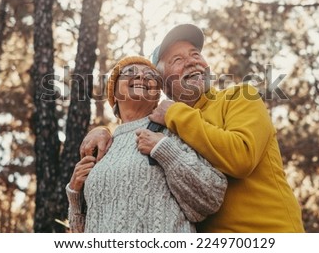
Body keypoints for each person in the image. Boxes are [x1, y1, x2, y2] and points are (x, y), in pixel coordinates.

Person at [81, 25, 305, 233]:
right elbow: (130, 130)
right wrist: (103, 131)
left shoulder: (238, 97)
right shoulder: (164, 127)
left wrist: (174, 114)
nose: (191, 62)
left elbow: (242, 157)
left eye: (196, 54)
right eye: (177, 59)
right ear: (165, 85)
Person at [66, 56, 227, 233]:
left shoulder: (171, 133)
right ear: (114, 93)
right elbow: (80, 233)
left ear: (157, 94)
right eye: (130, 72)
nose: (142, 77)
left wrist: (166, 150)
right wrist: (74, 195)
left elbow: (212, 198)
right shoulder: (101, 147)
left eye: (150, 75)